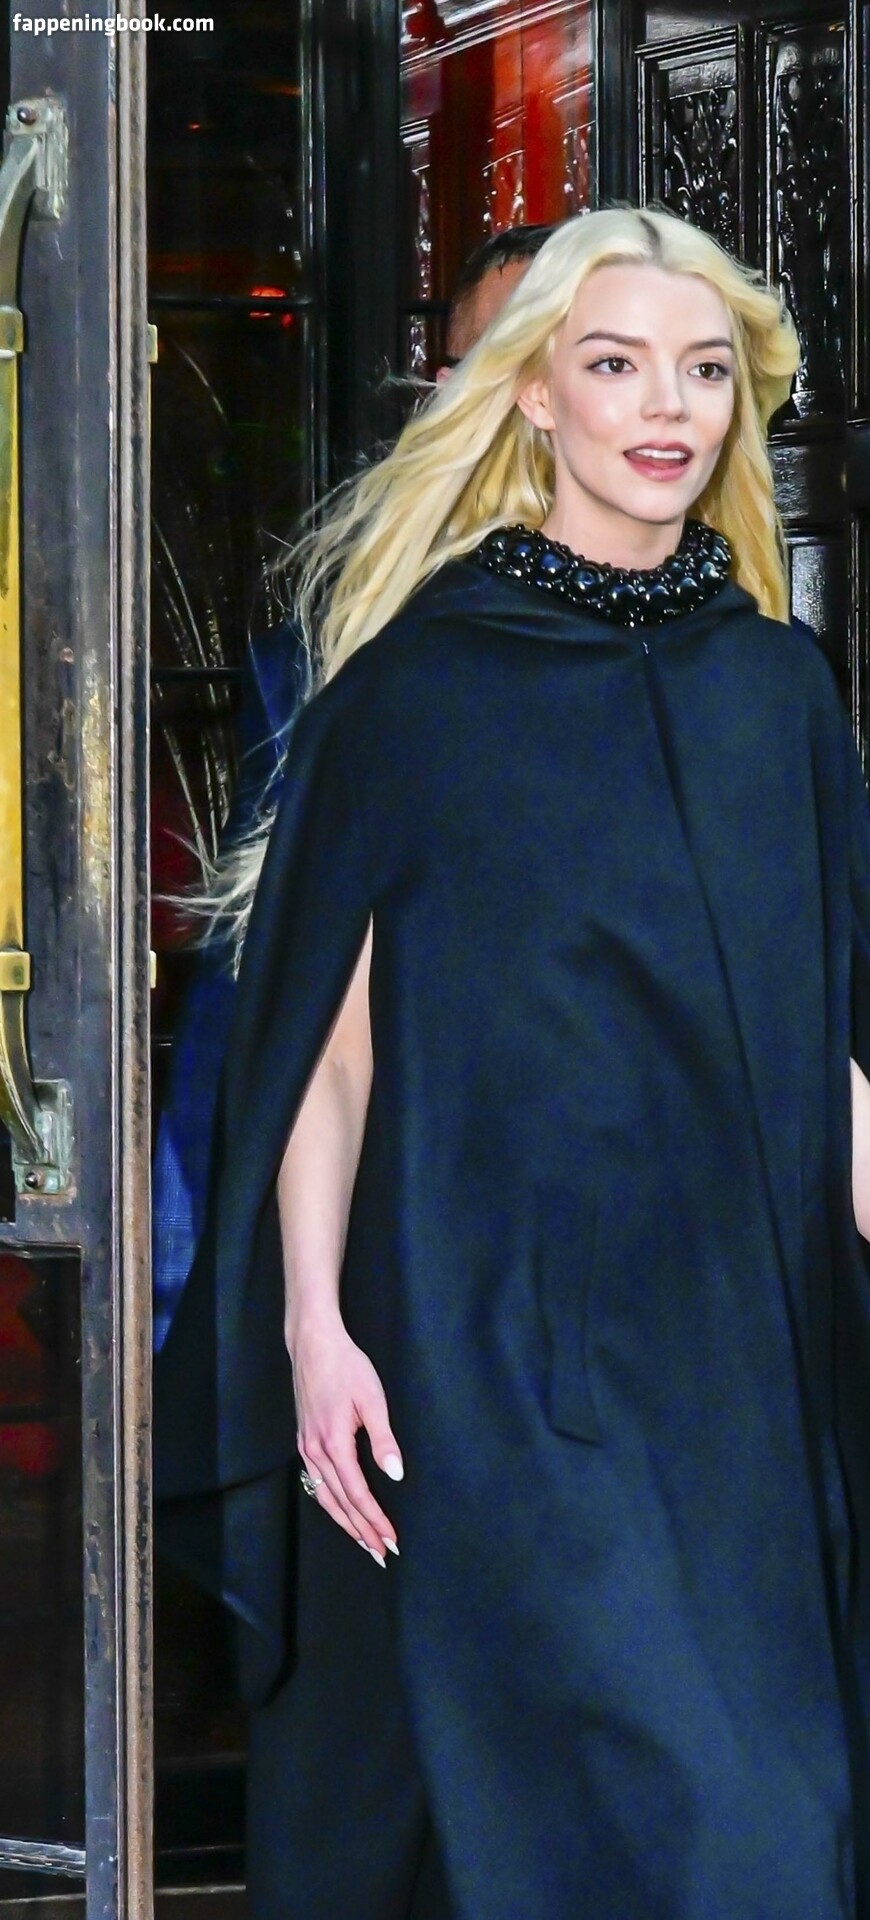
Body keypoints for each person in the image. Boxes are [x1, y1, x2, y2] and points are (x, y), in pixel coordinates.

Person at [153, 204, 870, 1920]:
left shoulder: (777, 694)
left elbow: (815, 1054)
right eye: (618, 363)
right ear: (531, 394)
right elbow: (329, 1059)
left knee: (765, 1823)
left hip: (739, 1354)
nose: (668, 407)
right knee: (650, 1812)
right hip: (499, 1348)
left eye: (706, 371)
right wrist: (313, 1325)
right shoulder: (414, 697)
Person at [151, 222, 557, 1349]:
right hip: (400, 1198)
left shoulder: (723, 654)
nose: (534, 401)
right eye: (502, 361)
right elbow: (256, 963)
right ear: (444, 390)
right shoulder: (334, 649)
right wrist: (179, 1266)